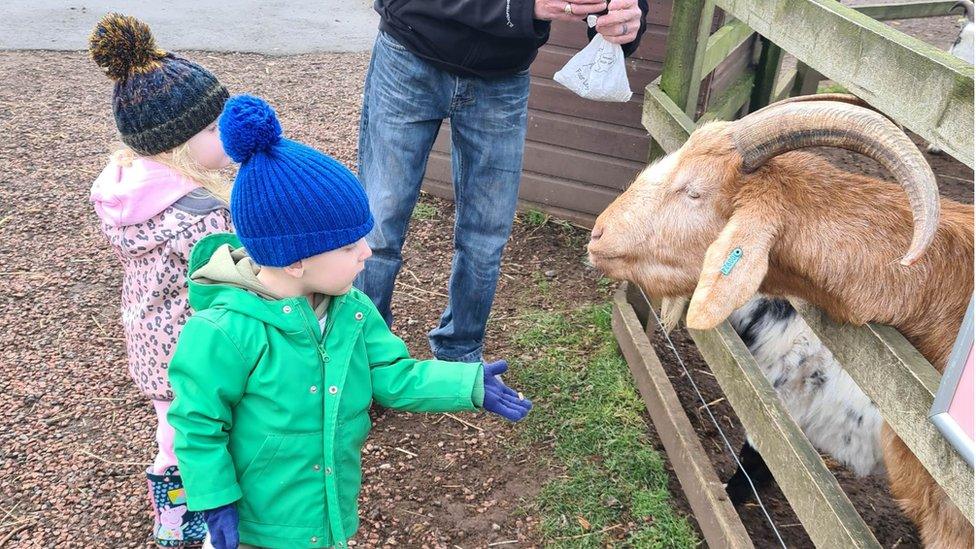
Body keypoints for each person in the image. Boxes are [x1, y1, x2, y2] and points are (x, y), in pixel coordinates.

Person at [167, 95, 533, 549]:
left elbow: (393, 375)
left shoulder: (352, 311)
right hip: (258, 526)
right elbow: (198, 421)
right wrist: (215, 497)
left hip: (329, 509)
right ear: (294, 260)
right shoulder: (224, 332)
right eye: (348, 247)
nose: (366, 252)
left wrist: (467, 384)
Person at [356, 0, 649, 364]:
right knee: (379, 223)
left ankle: (460, 353)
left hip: (502, 77)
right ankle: (361, 354)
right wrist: (522, 7)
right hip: (410, 55)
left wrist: (624, 22)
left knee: (485, 236)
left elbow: (621, 7)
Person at [87, 13, 232, 547]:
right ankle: (205, 516)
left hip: (149, 338)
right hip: (195, 345)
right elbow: (230, 282)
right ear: (176, 145)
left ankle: (173, 521)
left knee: (170, 430)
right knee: (204, 434)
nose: (227, 136)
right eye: (214, 129)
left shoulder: (124, 191)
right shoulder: (201, 213)